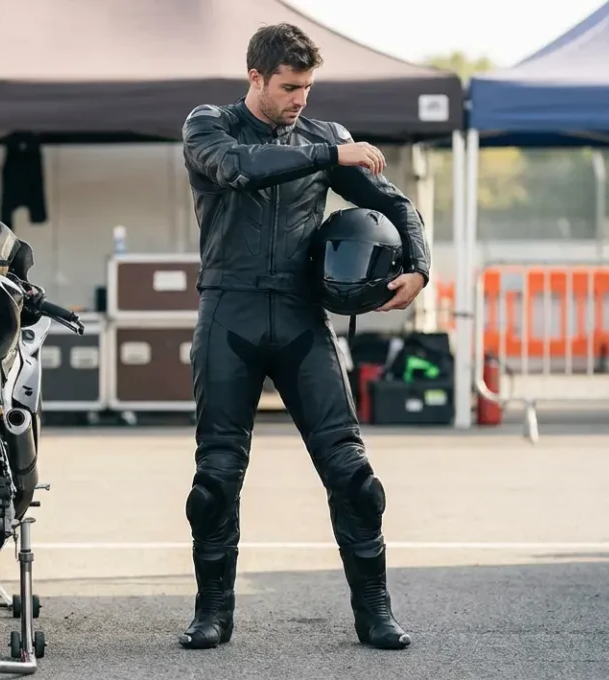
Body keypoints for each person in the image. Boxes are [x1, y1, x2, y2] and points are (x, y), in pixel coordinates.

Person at [177, 23, 428, 651]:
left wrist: (420, 265)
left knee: (354, 476)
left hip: (297, 318)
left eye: (309, 87)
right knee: (214, 484)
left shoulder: (323, 136)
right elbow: (236, 170)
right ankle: (213, 614)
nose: (301, 100)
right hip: (228, 313)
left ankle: (375, 613)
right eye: (290, 87)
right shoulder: (209, 125)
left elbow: (396, 203)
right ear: (255, 77)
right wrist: (328, 155)